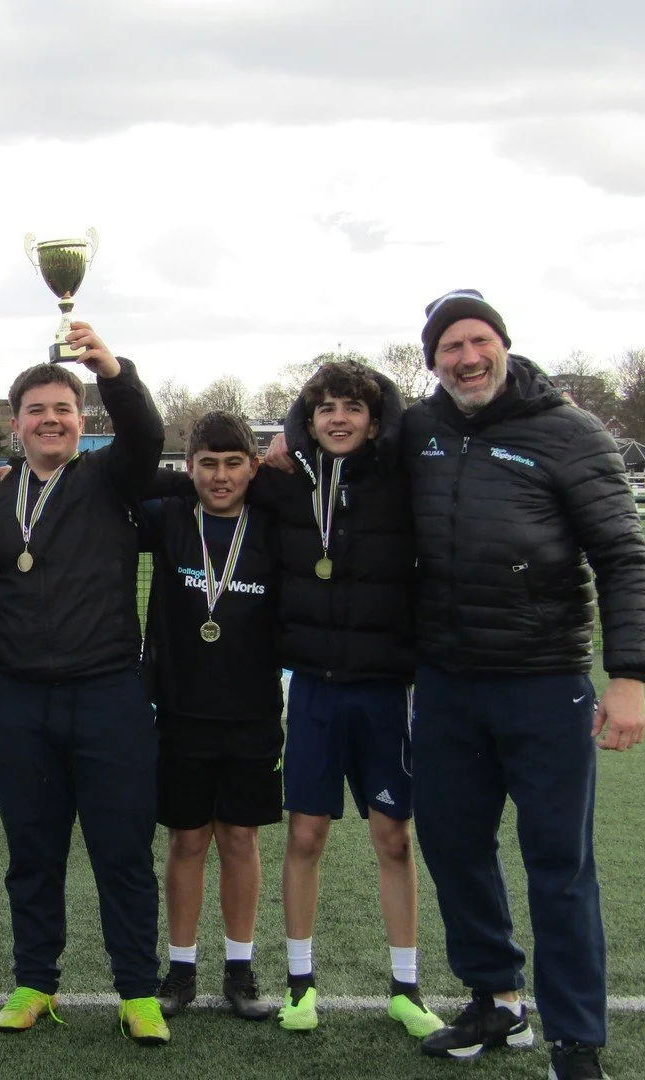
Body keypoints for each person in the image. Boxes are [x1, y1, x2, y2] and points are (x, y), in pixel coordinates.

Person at [403, 291, 645, 1080]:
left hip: (543, 681)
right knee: (453, 846)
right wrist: (289, 439)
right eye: (450, 347)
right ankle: (497, 1001)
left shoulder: (569, 431)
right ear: (433, 361)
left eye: (479, 340)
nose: (467, 357)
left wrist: (628, 677)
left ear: (504, 345)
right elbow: (340, 429)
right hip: (446, 682)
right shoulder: (418, 428)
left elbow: (622, 556)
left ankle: (576, 1042)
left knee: (558, 864)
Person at [0, 324, 170, 1045]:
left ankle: (138, 991)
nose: (51, 420)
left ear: (82, 421)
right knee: (33, 855)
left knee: (123, 854)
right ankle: (35, 981)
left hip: (109, 697)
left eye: (63, 410)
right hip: (22, 703)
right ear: (15, 424)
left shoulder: (111, 480)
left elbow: (144, 433)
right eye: (36, 410)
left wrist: (112, 371)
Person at [261, 361, 442, 1038]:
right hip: (313, 688)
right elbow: (204, 483)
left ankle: (406, 988)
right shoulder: (285, 482)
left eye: (353, 408)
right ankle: (300, 984)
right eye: (326, 409)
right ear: (308, 422)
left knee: (394, 839)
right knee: (306, 835)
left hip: (384, 690)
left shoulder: (403, 478)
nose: (339, 419)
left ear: (374, 418)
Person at [141, 412, 281, 1025]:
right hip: (180, 711)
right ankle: (180, 968)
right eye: (207, 464)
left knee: (240, 839)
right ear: (189, 467)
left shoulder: (274, 523)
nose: (220, 477)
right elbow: (121, 477)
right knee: (187, 839)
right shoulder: (169, 517)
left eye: (232, 464)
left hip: (252, 712)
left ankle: (240, 968)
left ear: (253, 467)